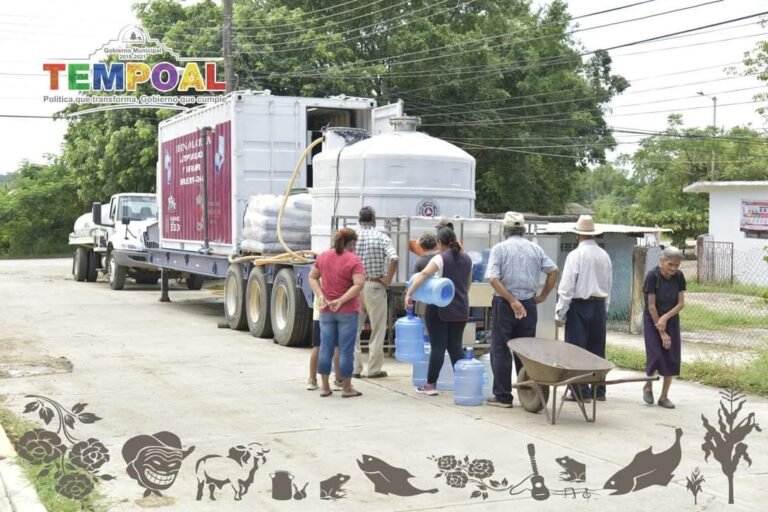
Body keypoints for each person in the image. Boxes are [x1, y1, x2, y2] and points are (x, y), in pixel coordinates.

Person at [485, 212, 559, 408]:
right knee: (525, 351)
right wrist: (542, 296)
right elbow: (554, 271)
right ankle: (528, 393)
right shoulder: (535, 249)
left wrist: (511, 300)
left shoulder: (499, 249)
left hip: (505, 303)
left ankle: (503, 396)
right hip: (528, 304)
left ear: (505, 230)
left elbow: (493, 278)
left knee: (500, 349)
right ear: (523, 230)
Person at [405, 227, 473, 395]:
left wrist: (410, 293)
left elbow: (423, 275)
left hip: (439, 308)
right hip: (461, 308)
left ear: (439, 243)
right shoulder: (467, 259)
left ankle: (430, 385)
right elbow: (468, 283)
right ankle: (465, 384)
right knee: (456, 347)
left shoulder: (440, 258)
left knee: (438, 347)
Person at [555, 215, 612, 402]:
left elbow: (566, 287)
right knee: (597, 349)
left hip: (579, 305)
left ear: (577, 236)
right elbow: (609, 283)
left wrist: (560, 312)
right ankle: (598, 390)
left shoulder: (575, 255)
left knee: (575, 350)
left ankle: (580, 392)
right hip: (599, 304)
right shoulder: (604, 255)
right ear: (594, 235)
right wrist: (605, 307)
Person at [308, 228, 365, 398]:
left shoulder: (323, 256)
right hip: (347, 311)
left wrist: (321, 296)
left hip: (326, 310)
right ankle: (346, 388)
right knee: (346, 350)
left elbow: (312, 277)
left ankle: (324, 386)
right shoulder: (354, 260)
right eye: (354, 244)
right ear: (351, 243)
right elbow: (359, 284)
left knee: (326, 347)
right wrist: (342, 300)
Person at [354, 206, 399, 379]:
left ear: (359, 220)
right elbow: (394, 258)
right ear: (374, 220)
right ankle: (373, 369)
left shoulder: (352, 237)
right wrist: (387, 279)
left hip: (355, 286)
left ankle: (354, 368)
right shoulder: (381, 237)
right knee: (378, 329)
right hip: (374, 286)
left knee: (354, 330)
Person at [642, 246, 686, 409]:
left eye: (676, 265)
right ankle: (648, 386)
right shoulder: (652, 276)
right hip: (652, 319)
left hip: (671, 320)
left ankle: (664, 396)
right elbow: (651, 306)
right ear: (661, 261)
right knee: (655, 354)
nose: (673, 269)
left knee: (671, 357)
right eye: (670, 264)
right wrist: (661, 331)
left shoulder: (679, 277)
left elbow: (681, 303)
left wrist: (666, 318)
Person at [306, 291, 341, 391]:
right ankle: (339, 380)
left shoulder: (316, 277)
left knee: (316, 346)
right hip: (334, 313)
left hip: (318, 314)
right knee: (336, 346)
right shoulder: (335, 276)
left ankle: (312, 379)